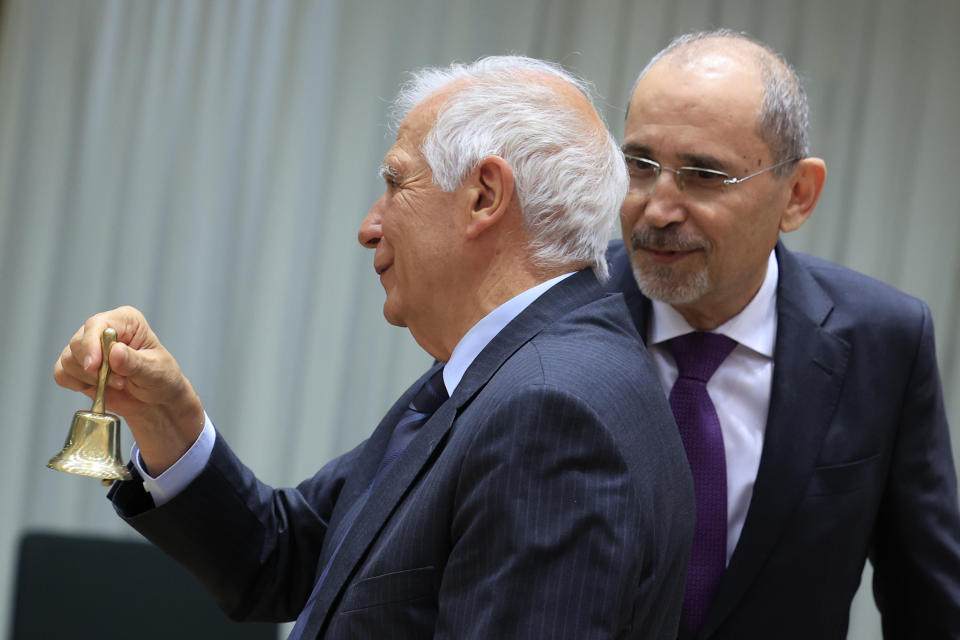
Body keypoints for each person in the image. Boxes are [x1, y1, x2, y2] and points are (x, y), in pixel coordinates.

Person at [55, 56, 696, 639]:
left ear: (484, 196)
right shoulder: (503, 372)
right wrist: (168, 418)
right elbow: (283, 559)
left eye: (396, 183)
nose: (369, 227)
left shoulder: (550, 408)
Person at [606, 28, 960, 639]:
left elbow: (929, 602)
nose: (657, 209)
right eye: (639, 166)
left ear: (797, 195)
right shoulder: (558, 310)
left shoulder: (883, 342)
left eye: (703, 175)